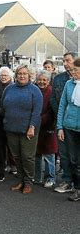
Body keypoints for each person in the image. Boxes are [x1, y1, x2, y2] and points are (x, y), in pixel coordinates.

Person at [2, 65, 43, 194]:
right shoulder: (9, 89)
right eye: (19, 73)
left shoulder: (35, 90)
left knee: (27, 157)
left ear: (29, 75)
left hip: (28, 129)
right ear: (16, 75)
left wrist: (32, 126)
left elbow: (37, 112)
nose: (22, 76)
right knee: (16, 156)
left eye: (25, 73)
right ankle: (20, 180)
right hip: (11, 127)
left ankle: (28, 182)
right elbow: (3, 105)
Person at [51, 52, 75, 193]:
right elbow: (54, 100)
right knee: (64, 154)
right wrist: (62, 117)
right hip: (62, 122)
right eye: (63, 60)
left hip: (76, 123)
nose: (65, 63)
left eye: (68, 60)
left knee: (75, 155)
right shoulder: (59, 79)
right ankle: (67, 180)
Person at [57, 58, 80, 201]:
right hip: (69, 127)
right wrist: (59, 127)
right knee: (74, 160)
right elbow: (62, 106)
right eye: (71, 70)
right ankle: (77, 188)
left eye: (75, 70)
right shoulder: (68, 84)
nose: (72, 73)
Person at [34, 70, 57, 188]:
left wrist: (41, 119)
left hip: (48, 127)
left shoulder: (51, 92)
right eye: (40, 79)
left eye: (44, 80)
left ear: (48, 81)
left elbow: (52, 110)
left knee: (49, 154)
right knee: (36, 153)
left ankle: (50, 177)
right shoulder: (34, 89)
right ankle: (37, 177)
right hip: (35, 126)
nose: (41, 82)